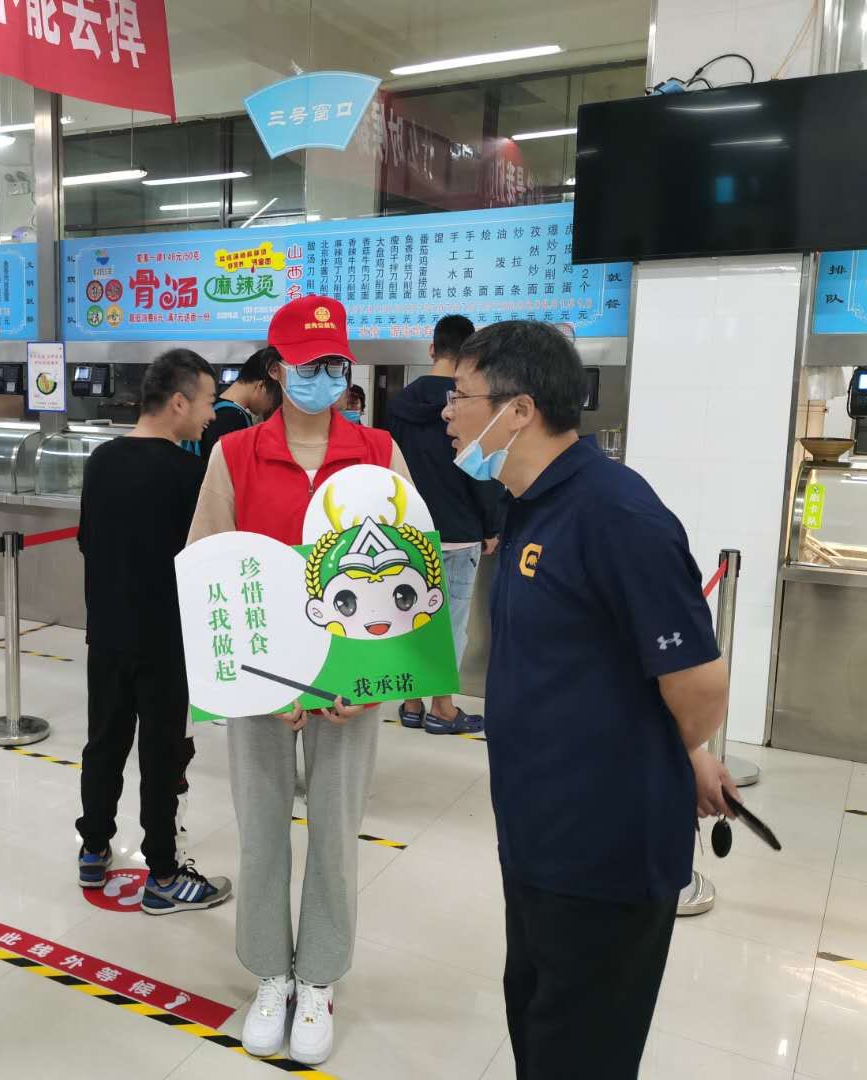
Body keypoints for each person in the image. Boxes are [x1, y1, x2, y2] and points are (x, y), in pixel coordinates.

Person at [442, 321, 737, 1079]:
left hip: (603, 852)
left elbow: (700, 682)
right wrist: (687, 752)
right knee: (540, 1021)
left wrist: (678, 748)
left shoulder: (615, 514)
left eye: (460, 395)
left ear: (519, 410)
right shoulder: (531, 501)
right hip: (540, 835)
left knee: (581, 1050)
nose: (447, 413)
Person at [188, 295, 415, 1066]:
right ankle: (269, 974)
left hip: (352, 684)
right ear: (277, 369)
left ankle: (317, 977)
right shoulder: (235, 455)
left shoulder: (378, 452)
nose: (324, 375)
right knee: (260, 830)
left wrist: (367, 678)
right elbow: (212, 571)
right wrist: (263, 682)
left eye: (336, 363)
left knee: (335, 830)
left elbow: (408, 577)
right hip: (262, 680)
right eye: (308, 363)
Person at [75, 348, 233, 915]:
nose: (212, 415)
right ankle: (163, 872)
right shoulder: (192, 476)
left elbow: (87, 541)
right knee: (162, 755)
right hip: (167, 640)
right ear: (179, 402)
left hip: (106, 633)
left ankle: (93, 847)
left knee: (104, 742)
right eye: (209, 402)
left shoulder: (101, 460)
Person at [387, 314, 507, 734]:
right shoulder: (467, 402)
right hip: (458, 530)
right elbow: (478, 470)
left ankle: (411, 703)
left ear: (432, 349)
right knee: (450, 622)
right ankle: (442, 708)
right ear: (469, 354)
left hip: (408, 531)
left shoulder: (399, 405)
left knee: (410, 618)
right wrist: (492, 525)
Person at [186, 346, 281, 459]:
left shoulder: (216, 407)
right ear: (261, 386)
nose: (271, 406)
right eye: (274, 398)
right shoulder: (233, 418)